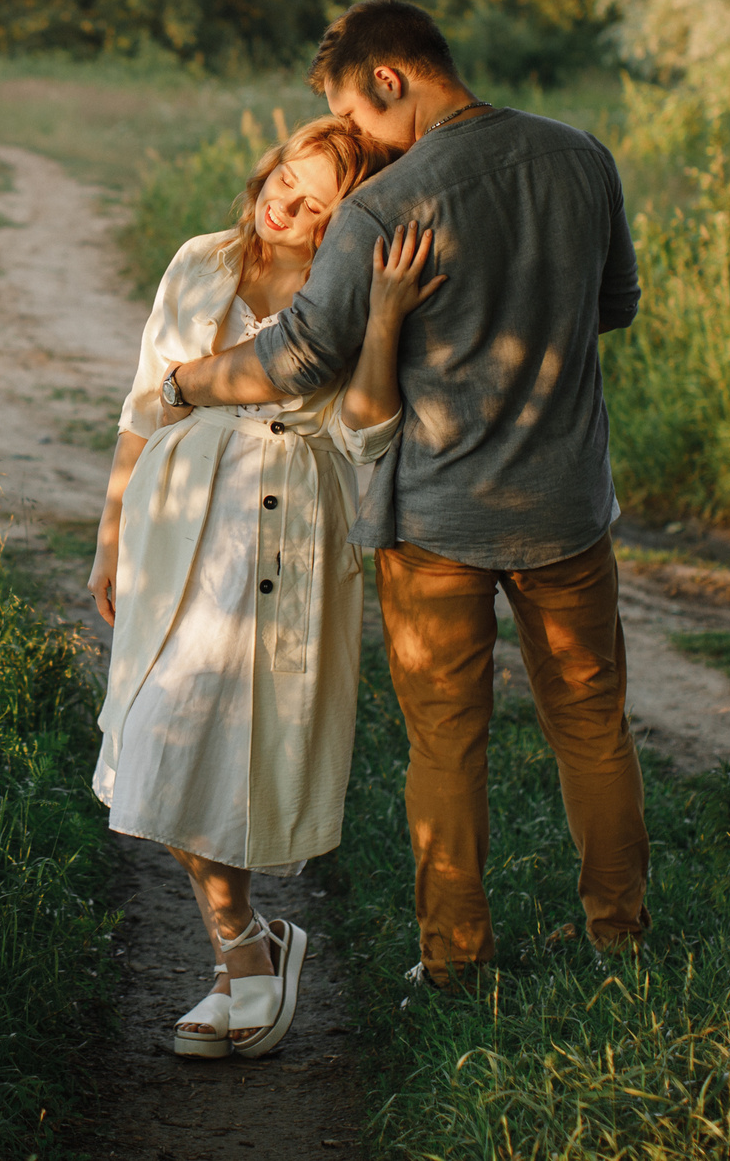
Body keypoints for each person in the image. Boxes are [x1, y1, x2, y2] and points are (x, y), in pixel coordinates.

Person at [159, 0, 648, 997]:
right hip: (564, 506)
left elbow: (295, 358)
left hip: (435, 519)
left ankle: (456, 961)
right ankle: (621, 936)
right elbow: (613, 309)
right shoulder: (581, 156)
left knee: (446, 742)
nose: (357, 135)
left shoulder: (392, 204)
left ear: (389, 79)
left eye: (354, 109)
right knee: (594, 725)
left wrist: (183, 380)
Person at [90, 115, 439, 1058]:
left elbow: (367, 431)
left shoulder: (352, 289)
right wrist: (111, 531)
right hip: (175, 526)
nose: (283, 201)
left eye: (316, 201)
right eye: (286, 176)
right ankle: (248, 940)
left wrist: (390, 317)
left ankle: (239, 960)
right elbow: (142, 401)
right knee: (159, 736)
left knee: (238, 748)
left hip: (289, 528)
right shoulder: (202, 258)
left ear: (344, 222)